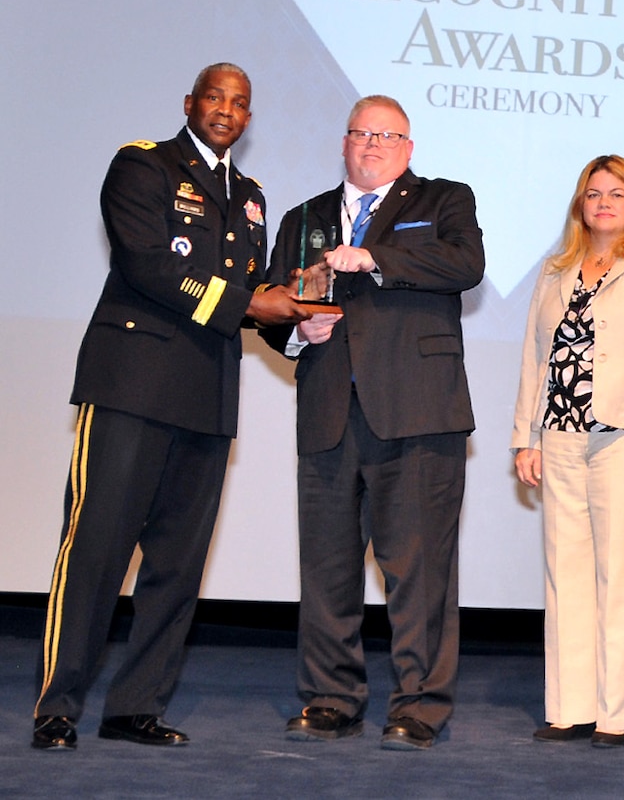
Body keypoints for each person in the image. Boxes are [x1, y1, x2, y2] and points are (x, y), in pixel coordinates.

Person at [32, 64, 309, 752]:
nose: (226, 110)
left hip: (208, 396)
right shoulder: (143, 166)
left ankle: (134, 709)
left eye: (240, 103)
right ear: (190, 103)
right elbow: (147, 265)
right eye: (215, 97)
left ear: (249, 118)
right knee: (95, 551)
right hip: (132, 386)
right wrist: (251, 302)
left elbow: (253, 295)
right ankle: (57, 707)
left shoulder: (249, 197)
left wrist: (301, 322)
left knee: (176, 568)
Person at [260, 95, 485, 751]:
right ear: (344, 142)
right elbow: (273, 311)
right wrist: (297, 331)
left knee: (419, 573)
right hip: (330, 413)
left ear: (409, 148)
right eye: (361, 132)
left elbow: (466, 265)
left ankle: (419, 706)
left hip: (417, 413)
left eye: (387, 135)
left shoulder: (444, 201)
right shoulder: (303, 219)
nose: (372, 144)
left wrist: (375, 257)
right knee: (327, 571)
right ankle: (331, 699)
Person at [511, 155, 624, 748]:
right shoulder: (556, 269)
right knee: (564, 578)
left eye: (617, 193)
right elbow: (536, 358)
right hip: (558, 437)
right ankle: (570, 707)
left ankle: (617, 713)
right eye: (594, 194)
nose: (605, 203)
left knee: (618, 577)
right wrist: (524, 436)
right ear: (580, 205)